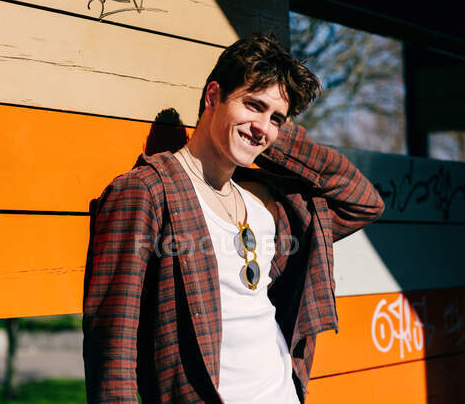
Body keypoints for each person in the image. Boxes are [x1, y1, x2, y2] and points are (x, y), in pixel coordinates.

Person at [83, 34, 384, 403]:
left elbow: (363, 202)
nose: (263, 126)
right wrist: (258, 126)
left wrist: (271, 137)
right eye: (252, 105)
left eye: (277, 118)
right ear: (213, 97)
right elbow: (112, 352)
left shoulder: (264, 205)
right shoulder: (147, 192)